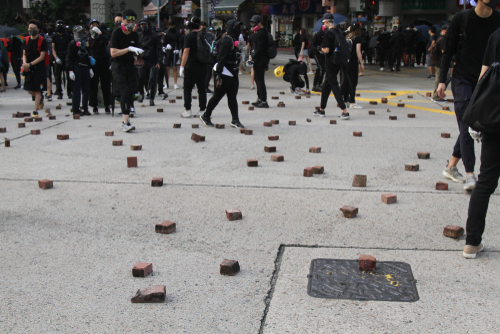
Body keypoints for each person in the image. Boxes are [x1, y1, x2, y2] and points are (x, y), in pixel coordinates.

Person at [436, 0, 500, 190]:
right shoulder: (461, 18)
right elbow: (448, 52)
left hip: (486, 81)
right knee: (467, 124)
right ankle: (471, 174)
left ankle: (451, 166)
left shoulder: (498, 19)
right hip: (462, 79)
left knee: (473, 123)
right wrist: (442, 80)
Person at [462, 26, 500, 258]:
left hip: (494, 117)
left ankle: (472, 242)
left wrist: (476, 117)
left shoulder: (495, 34)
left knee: (485, 181)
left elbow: (483, 77)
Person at [200, 19, 245, 129]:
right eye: (236, 27)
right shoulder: (226, 40)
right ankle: (206, 115)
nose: (239, 29)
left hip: (232, 71)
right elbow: (221, 59)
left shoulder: (233, 39)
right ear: (231, 28)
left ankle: (235, 120)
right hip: (224, 71)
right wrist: (218, 75)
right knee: (217, 96)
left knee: (232, 97)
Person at [110, 8, 143, 132]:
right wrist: (128, 49)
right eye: (128, 20)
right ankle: (125, 122)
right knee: (124, 91)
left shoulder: (135, 34)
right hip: (118, 66)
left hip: (130, 66)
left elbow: (136, 53)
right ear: (123, 20)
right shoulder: (116, 33)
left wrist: (139, 57)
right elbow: (113, 53)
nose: (131, 23)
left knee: (130, 93)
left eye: (133, 21)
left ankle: (128, 116)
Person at [314, 13, 349, 120]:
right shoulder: (339, 31)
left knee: (334, 85)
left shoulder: (328, 33)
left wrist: (320, 48)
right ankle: (322, 109)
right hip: (338, 62)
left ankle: (344, 110)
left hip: (330, 62)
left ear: (327, 22)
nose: (323, 25)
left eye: (324, 23)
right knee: (326, 86)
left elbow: (327, 50)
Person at [179, 16, 208, 118]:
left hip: (191, 66)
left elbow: (186, 51)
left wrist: (182, 66)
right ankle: (203, 110)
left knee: (187, 88)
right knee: (202, 89)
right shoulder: (204, 35)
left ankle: (187, 110)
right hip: (203, 65)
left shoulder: (189, 36)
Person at [22, 19, 47, 117]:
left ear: (38, 29)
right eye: (31, 28)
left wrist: (30, 64)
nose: (32, 30)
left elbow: (42, 56)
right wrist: (25, 64)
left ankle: (35, 111)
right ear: (28, 29)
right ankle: (40, 98)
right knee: (28, 88)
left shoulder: (42, 40)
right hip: (29, 68)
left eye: (34, 28)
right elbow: (24, 54)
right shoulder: (26, 40)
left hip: (39, 68)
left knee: (38, 90)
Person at [67, 26, 92, 116]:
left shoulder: (86, 44)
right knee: (76, 89)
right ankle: (76, 109)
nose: (81, 34)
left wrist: (90, 68)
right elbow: (69, 58)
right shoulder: (72, 44)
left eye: (82, 32)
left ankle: (85, 108)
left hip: (85, 67)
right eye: (79, 33)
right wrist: (70, 70)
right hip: (76, 67)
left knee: (86, 89)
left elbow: (88, 56)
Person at [88, 18, 112, 114]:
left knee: (105, 85)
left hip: (104, 62)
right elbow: (89, 48)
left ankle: (107, 105)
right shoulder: (88, 36)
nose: (94, 26)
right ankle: (94, 106)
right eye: (92, 25)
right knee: (93, 85)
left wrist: (100, 34)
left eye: (96, 25)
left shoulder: (104, 35)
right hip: (94, 62)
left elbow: (107, 43)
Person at [137, 18, 162, 106]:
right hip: (142, 60)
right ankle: (141, 93)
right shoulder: (139, 36)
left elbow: (159, 49)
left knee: (152, 80)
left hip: (152, 60)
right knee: (141, 77)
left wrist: (159, 61)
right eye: (142, 25)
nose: (143, 27)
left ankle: (151, 98)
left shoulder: (154, 36)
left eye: (145, 25)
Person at [248, 15, 269, 108]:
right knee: (257, 79)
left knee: (260, 80)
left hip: (260, 59)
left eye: (255, 23)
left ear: (260, 23)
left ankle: (263, 101)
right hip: (260, 59)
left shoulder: (261, 33)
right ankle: (260, 98)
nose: (253, 25)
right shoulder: (260, 32)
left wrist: (253, 56)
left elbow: (259, 49)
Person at [344, 22, 363, 109]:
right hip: (353, 62)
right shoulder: (357, 38)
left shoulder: (347, 37)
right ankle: (352, 101)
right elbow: (358, 51)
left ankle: (345, 101)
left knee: (346, 81)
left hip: (345, 62)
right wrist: (361, 63)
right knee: (353, 82)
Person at [52, 20, 72, 99]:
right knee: (58, 76)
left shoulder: (67, 35)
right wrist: (55, 57)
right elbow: (52, 47)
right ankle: (59, 92)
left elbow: (70, 46)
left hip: (66, 56)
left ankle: (69, 92)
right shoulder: (54, 36)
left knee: (68, 75)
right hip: (58, 56)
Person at [431, 25, 448, 102]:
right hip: (441, 63)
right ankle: (437, 96)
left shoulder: (439, 38)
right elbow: (444, 52)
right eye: (445, 30)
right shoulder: (443, 40)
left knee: (438, 79)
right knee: (440, 79)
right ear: (442, 30)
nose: (447, 32)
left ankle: (436, 95)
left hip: (438, 62)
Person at [162, 21, 181, 90]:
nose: (171, 27)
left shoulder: (177, 33)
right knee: (167, 67)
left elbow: (180, 42)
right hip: (168, 51)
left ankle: (175, 83)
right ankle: (167, 83)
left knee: (174, 67)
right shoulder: (166, 32)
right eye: (170, 25)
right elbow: (163, 40)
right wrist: (164, 46)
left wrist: (178, 49)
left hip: (174, 51)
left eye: (173, 25)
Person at [200, 21, 215, 94]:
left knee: (208, 73)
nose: (210, 32)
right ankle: (204, 88)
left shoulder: (209, 37)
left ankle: (204, 87)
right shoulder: (203, 36)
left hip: (208, 56)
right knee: (207, 73)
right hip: (205, 56)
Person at [311, 26, 325, 92]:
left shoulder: (326, 35)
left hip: (323, 54)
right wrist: (318, 48)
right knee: (321, 67)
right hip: (316, 53)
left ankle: (319, 83)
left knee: (323, 68)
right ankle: (316, 84)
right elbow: (312, 46)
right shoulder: (317, 36)